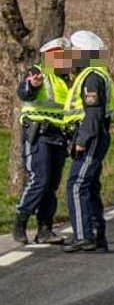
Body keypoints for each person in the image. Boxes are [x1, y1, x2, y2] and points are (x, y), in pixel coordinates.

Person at [13, 38, 71, 245]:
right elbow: (24, 92)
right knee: (40, 179)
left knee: (52, 184)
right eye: (59, 56)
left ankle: (45, 229)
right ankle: (20, 222)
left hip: (58, 136)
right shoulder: (36, 72)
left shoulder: (64, 79)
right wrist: (31, 86)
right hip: (38, 134)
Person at [62, 29, 114, 253]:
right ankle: (96, 235)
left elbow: (93, 114)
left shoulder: (91, 78)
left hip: (91, 137)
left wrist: (82, 140)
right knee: (90, 186)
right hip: (92, 135)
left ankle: (84, 236)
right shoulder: (89, 75)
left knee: (77, 184)